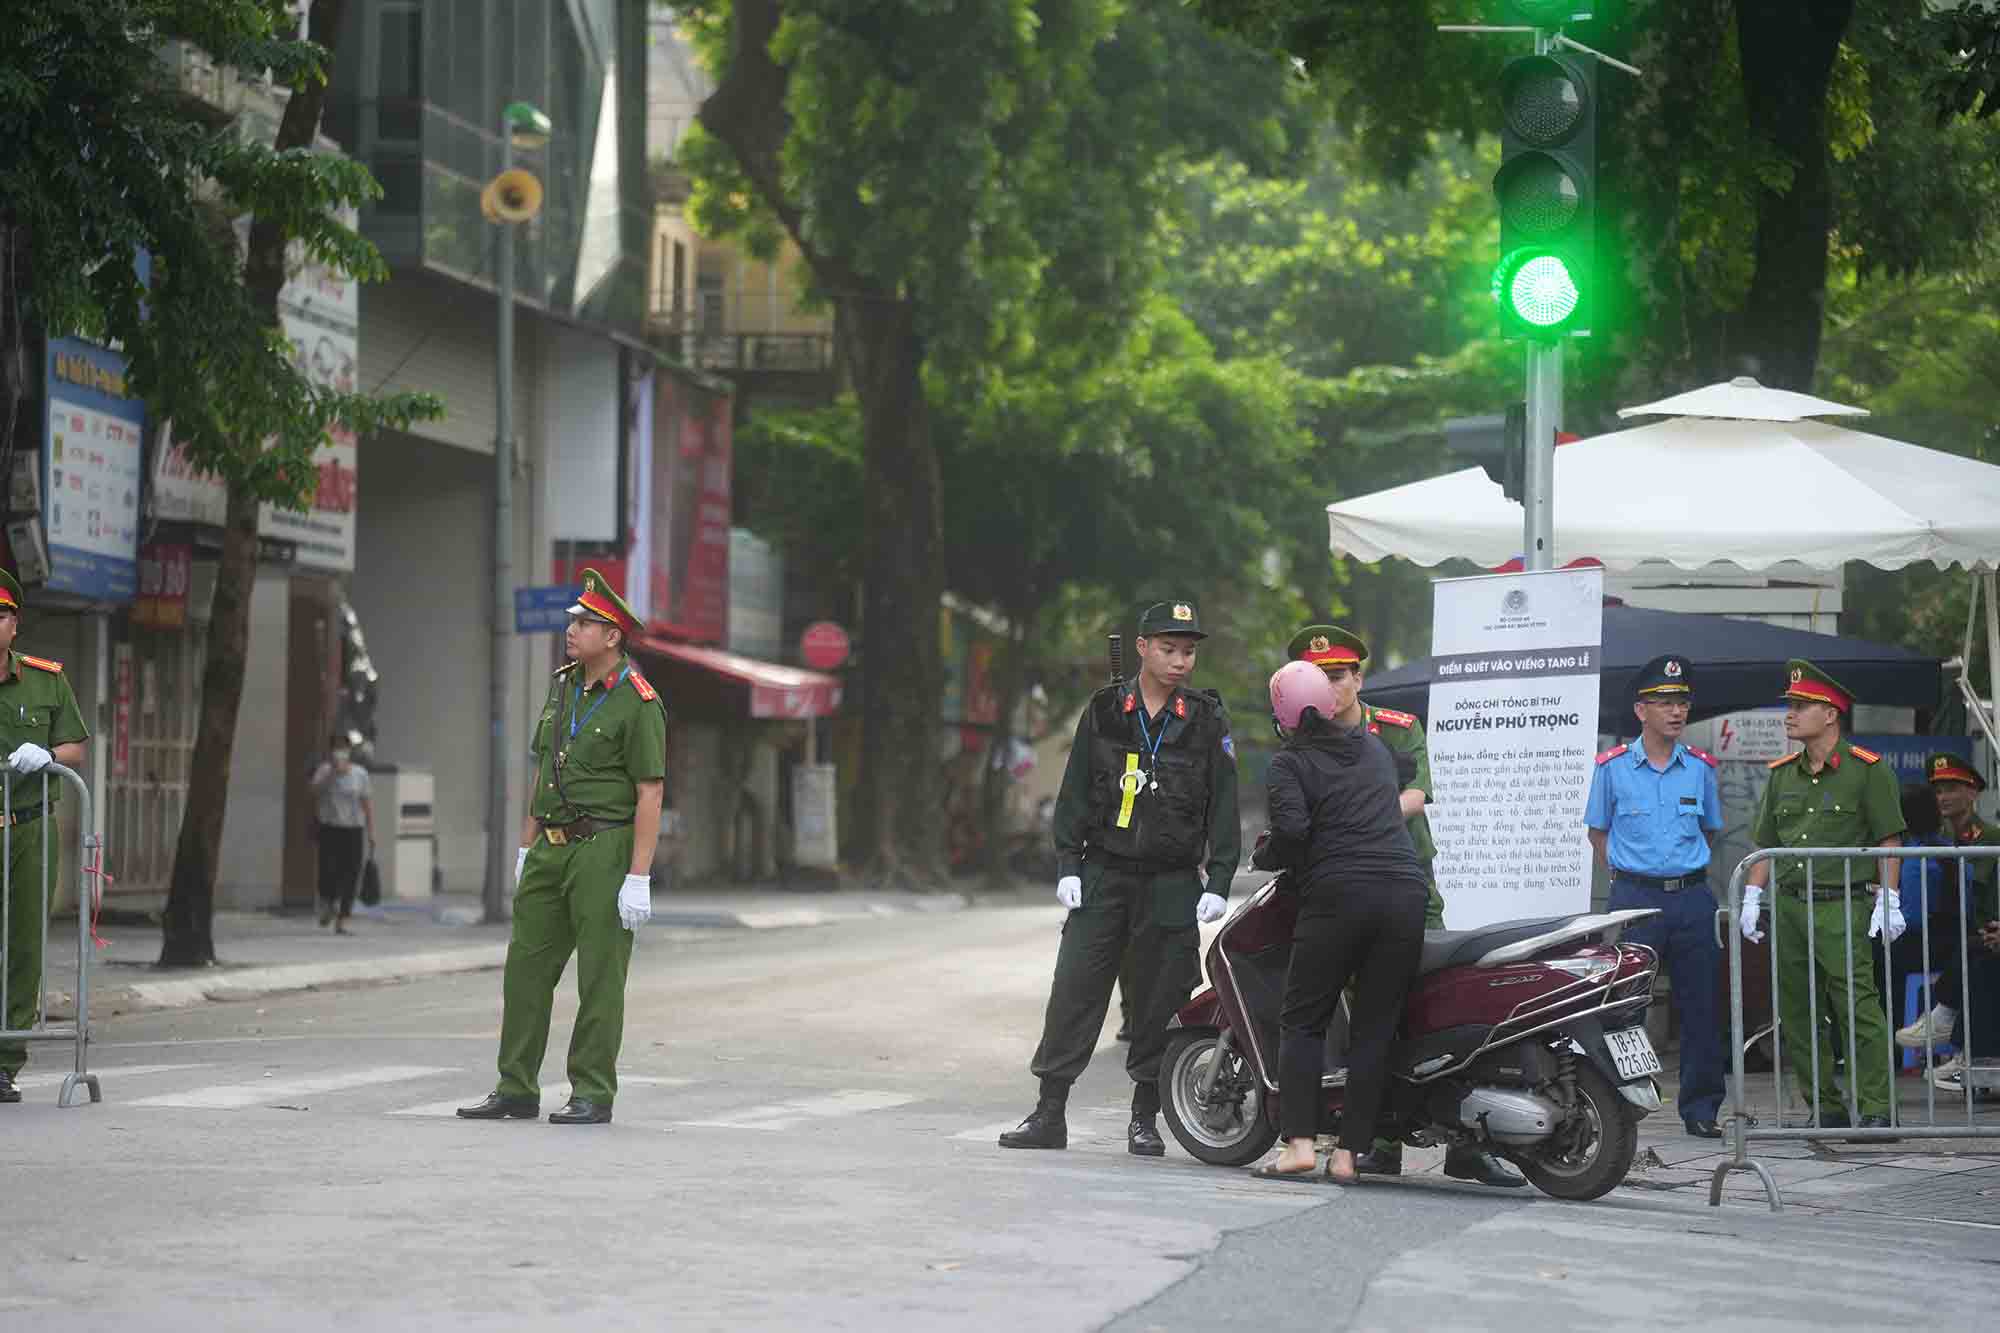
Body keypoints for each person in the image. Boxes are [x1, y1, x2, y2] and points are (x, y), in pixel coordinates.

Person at [1000, 600, 1239, 1157]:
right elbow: (1077, 789)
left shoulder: (1206, 720)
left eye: (1189, 652)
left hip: (1172, 880)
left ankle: (1144, 1118)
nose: (1181, 661)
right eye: (1169, 649)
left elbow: (1223, 806)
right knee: (1075, 991)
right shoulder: (1107, 709)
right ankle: (1049, 1112)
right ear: (1142, 647)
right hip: (1105, 874)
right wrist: (1068, 864)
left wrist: (1219, 880)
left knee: (1162, 999)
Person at [1287, 624, 1520, 1187]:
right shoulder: (1301, 739)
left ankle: (1466, 1140)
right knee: (1361, 1020)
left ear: (1358, 678)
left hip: (1405, 884)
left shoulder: (1395, 730)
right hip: (1339, 892)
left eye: (1339, 677)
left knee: (1431, 1013)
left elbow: (1416, 795)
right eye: (1319, 678)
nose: (1330, 689)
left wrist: (1356, 821)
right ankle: (1378, 1141)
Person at [459, 569, 666, 1126]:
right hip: (551, 846)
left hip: (604, 846)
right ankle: (515, 1086)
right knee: (525, 967)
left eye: (585, 622)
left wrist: (638, 876)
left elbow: (650, 792)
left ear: (613, 636)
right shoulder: (562, 685)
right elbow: (543, 769)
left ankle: (592, 1091)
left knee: (599, 975)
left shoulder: (638, 701)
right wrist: (527, 847)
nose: (571, 629)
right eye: (574, 620)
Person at [1249, 661, 1429, 1181]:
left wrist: (1265, 855)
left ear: (1281, 714)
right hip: (1403, 893)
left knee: (1303, 1019)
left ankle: (1300, 1143)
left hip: (1339, 896)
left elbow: (1293, 831)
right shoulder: (1373, 748)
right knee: (1375, 1027)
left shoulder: (1289, 763)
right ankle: (1349, 1154)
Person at [1739, 659, 1905, 1134]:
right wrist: (1753, 895)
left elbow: (1888, 840)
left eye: (1799, 706)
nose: (1788, 715)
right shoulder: (1782, 775)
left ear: (1830, 714)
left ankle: (1876, 1105)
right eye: (1789, 706)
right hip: (1790, 905)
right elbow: (1767, 843)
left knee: (1858, 1006)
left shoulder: (1866, 771)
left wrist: (1888, 899)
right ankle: (1825, 1106)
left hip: (1842, 903)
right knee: (1798, 1012)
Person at [1582, 654, 1727, 1138]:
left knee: (1702, 1004)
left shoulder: (1700, 769)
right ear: (1641, 711)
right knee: (1624, 1005)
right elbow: (1597, 834)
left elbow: (1711, 831)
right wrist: (1630, 875)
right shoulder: (1613, 768)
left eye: (1682, 701)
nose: (1676, 710)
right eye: (1664, 701)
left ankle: (1701, 1107)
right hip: (1634, 897)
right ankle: (1621, 1102)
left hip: (1691, 898)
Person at [0, 568, 89, 1106]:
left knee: (24, 946)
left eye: (1, 614)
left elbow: (77, 745)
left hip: (29, 829)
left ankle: (4, 1064)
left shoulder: (45, 679)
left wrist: (50, 756)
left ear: (16, 624)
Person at [1895, 752, 2000, 1087]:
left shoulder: (1990, 839)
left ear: (1972, 793)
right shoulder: (1935, 839)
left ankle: (1955, 1043)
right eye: (1938, 790)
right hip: (1955, 932)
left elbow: (1979, 896)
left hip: (1978, 928)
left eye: (1952, 788)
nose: (1943, 797)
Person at [309, 732, 375, 933]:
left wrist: (371, 832)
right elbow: (313, 792)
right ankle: (327, 904)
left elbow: (366, 804)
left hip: (353, 830)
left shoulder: (360, 774)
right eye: (337, 749)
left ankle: (343, 919)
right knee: (328, 872)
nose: (340, 753)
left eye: (344, 749)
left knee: (351, 874)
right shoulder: (324, 770)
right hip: (330, 828)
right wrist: (332, 774)